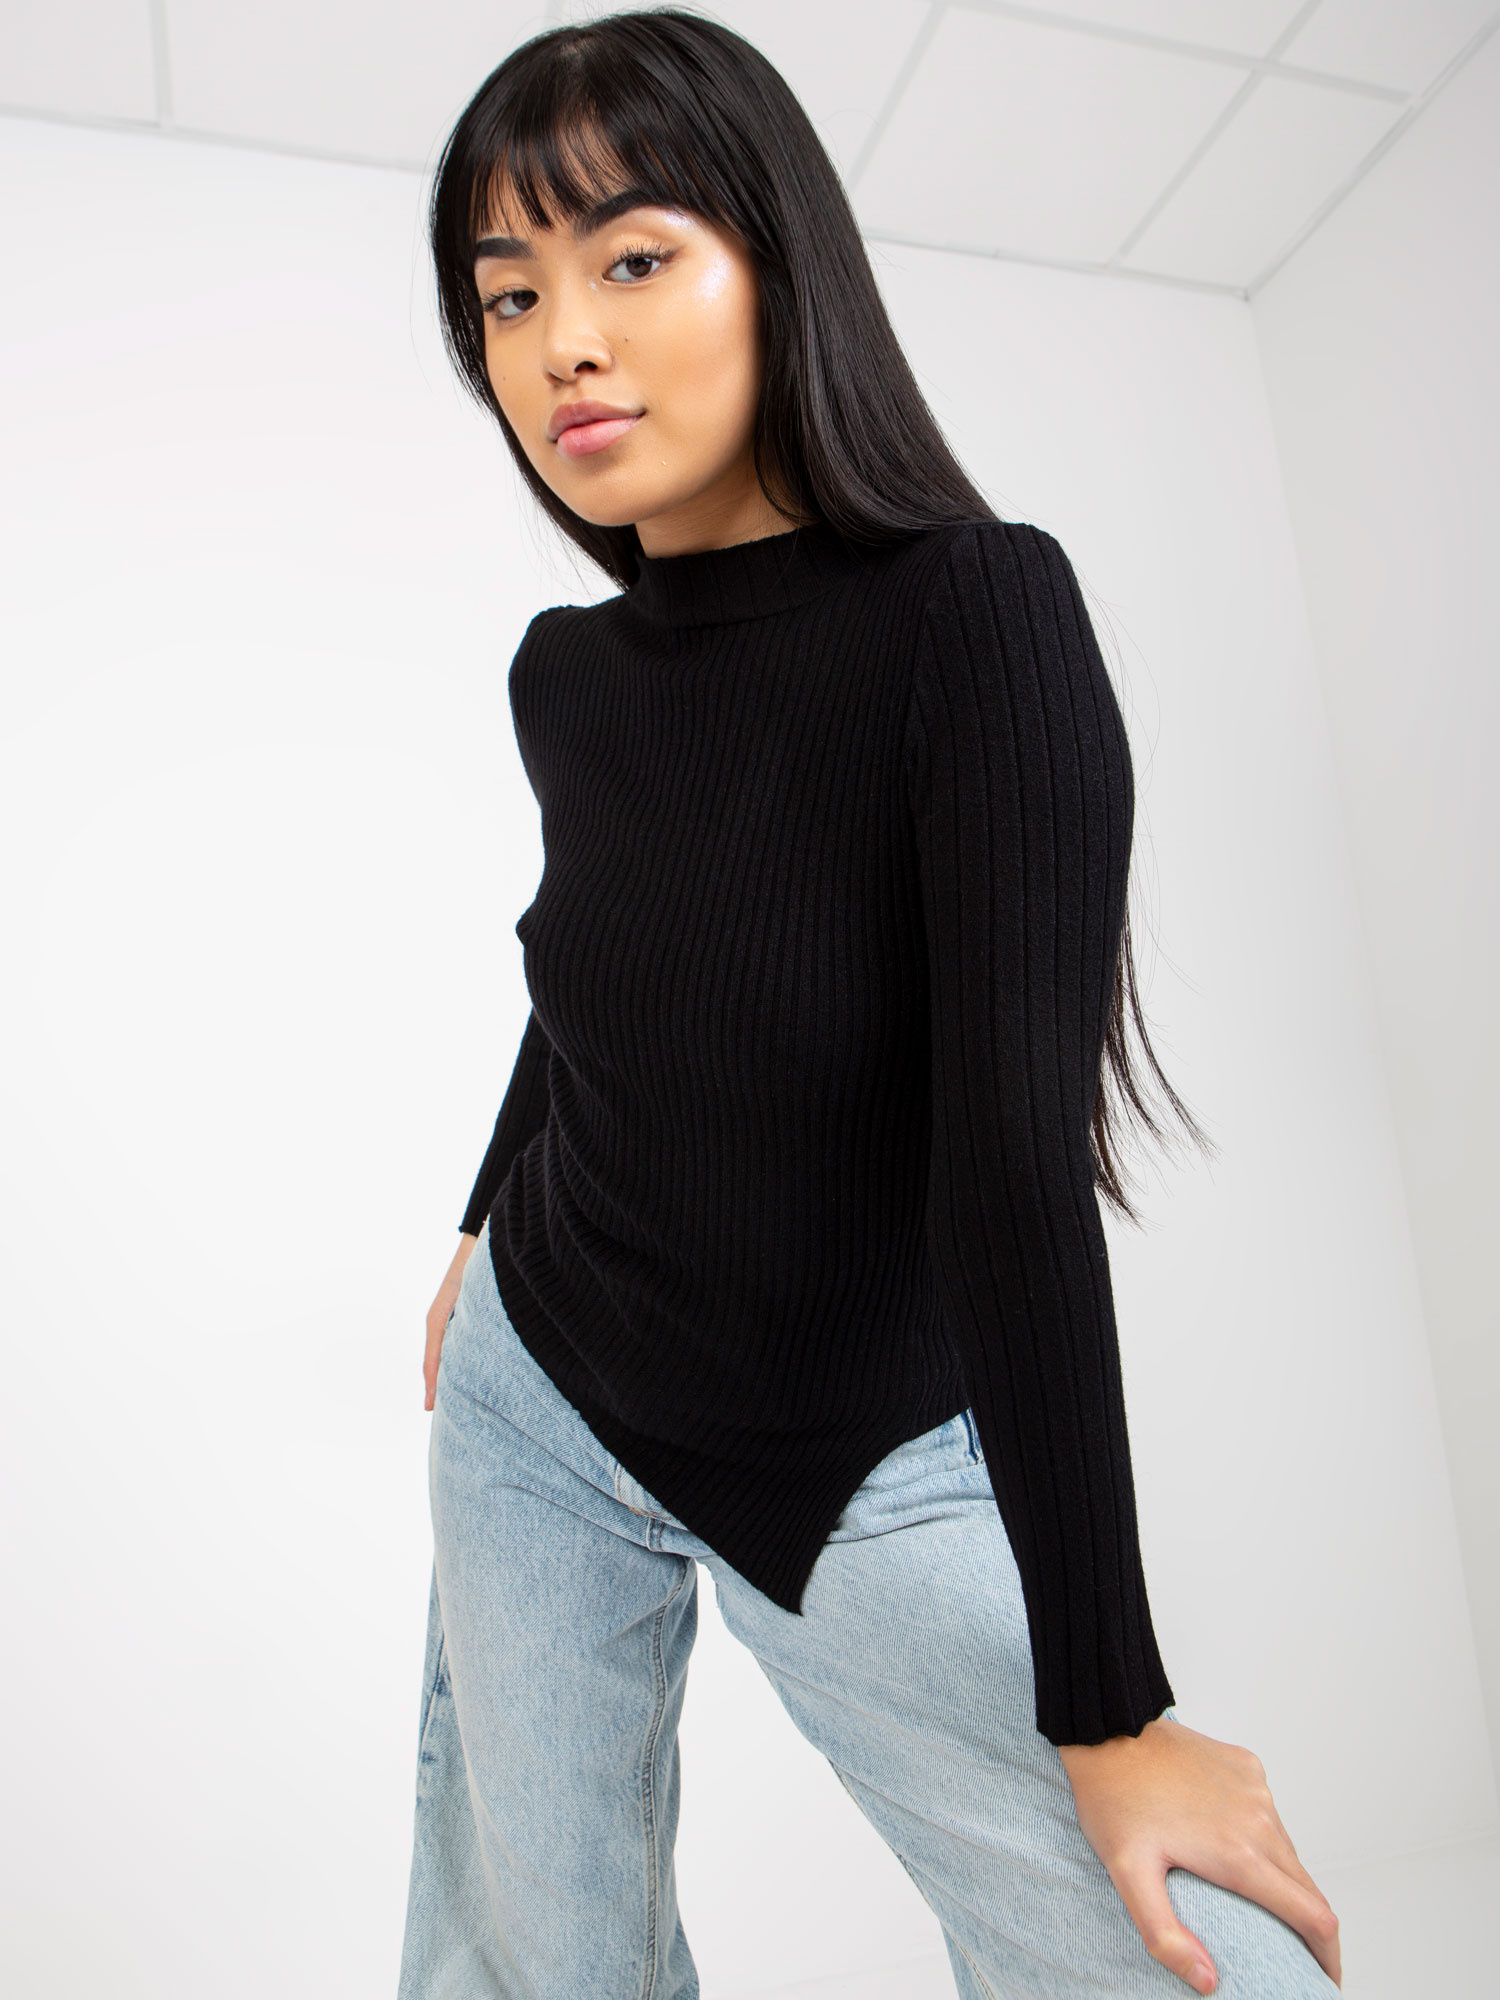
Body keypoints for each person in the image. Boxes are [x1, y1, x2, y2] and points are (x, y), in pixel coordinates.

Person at [397, 10, 1342, 1997]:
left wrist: (1109, 1701)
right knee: (538, 1963)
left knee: (1187, 1963)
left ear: (780, 263)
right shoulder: (569, 673)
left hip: (855, 1449)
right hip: (536, 1396)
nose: (563, 341)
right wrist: (486, 1225)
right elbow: (595, 953)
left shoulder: (974, 614)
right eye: (511, 294)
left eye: (630, 258)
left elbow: (1012, 1167)